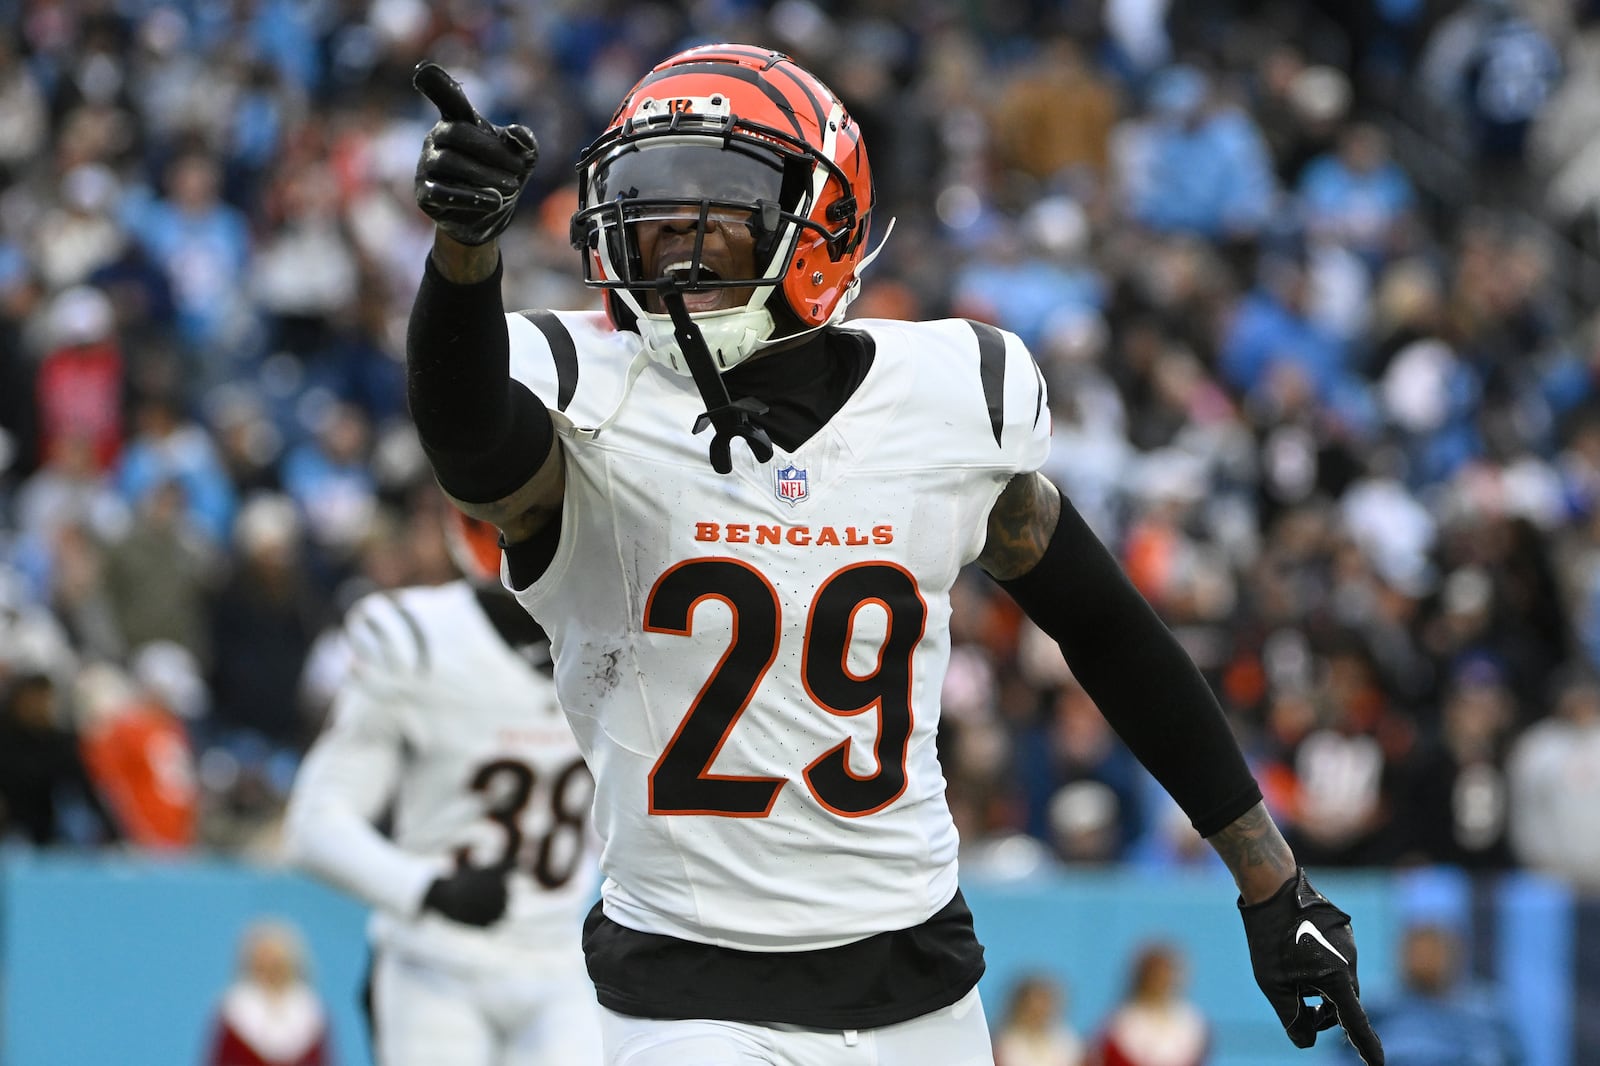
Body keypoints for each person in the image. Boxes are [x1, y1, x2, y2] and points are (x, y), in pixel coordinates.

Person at [403, 45, 1385, 1066]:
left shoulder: (946, 401)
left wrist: (1273, 883)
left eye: (718, 202)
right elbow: (469, 440)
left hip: (921, 989)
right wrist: (464, 256)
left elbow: (1106, 628)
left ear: (822, 221)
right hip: (689, 996)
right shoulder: (587, 398)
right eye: (650, 202)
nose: (670, 236)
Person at [282, 508, 603, 1065]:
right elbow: (313, 826)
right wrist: (429, 889)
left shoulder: (616, 632)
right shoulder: (420, 640)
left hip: (560, 961)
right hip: (437, 965)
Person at [1329, 923, 1519, 1066]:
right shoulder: (1377, 1008)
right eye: (1418, 953)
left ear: (1454, 956)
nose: (1425, 961)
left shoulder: (1486, 1010)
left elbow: (1512, 1057)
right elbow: (1340, 1057)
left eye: (1433, 953)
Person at [203, 918, 332, 1066]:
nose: (270, 969)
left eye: (276, 963)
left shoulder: (312, 1013)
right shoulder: (232, 1010)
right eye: (262, 963)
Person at [1093, 944, 1209, 1066]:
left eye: (1165, 974)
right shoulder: (1120, 1024)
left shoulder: (1191, 1022)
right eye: (1154, 974)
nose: (1159, 980)